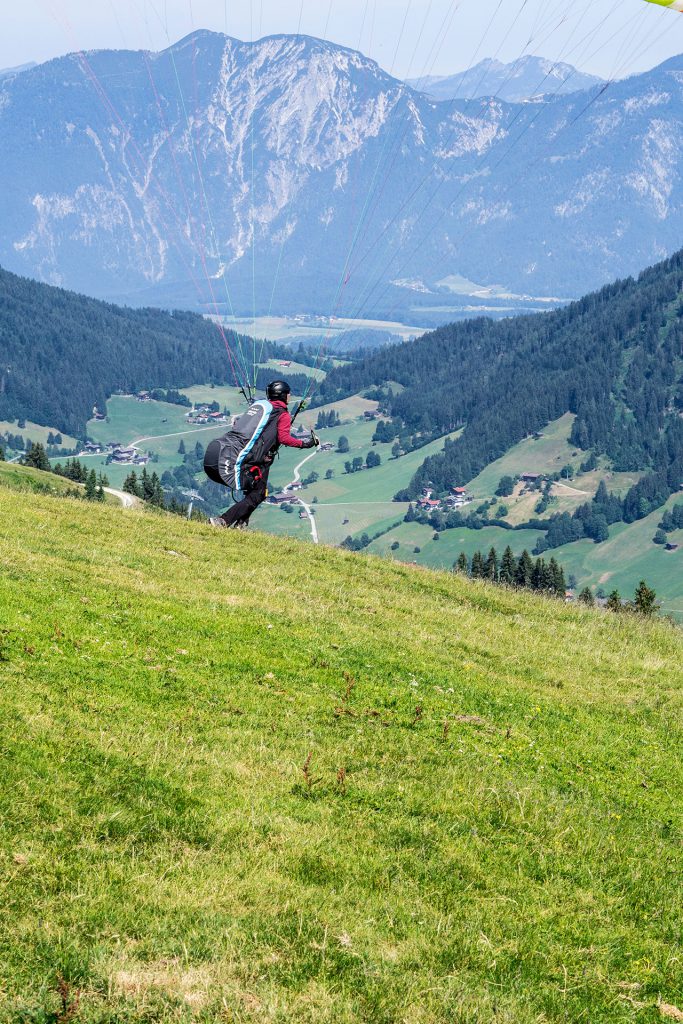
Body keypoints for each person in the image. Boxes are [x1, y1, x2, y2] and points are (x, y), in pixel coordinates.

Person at [205, 380, 318, 529]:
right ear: (283, 395)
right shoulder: (282, 414)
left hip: (248, 455)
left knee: (257, 493)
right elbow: (284, 438)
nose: (290, 396)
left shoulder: (263, 408)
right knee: (258, 494)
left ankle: (241, 525)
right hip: (258, 461)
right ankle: (222, 521)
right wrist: (305, 443)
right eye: (288, 394)